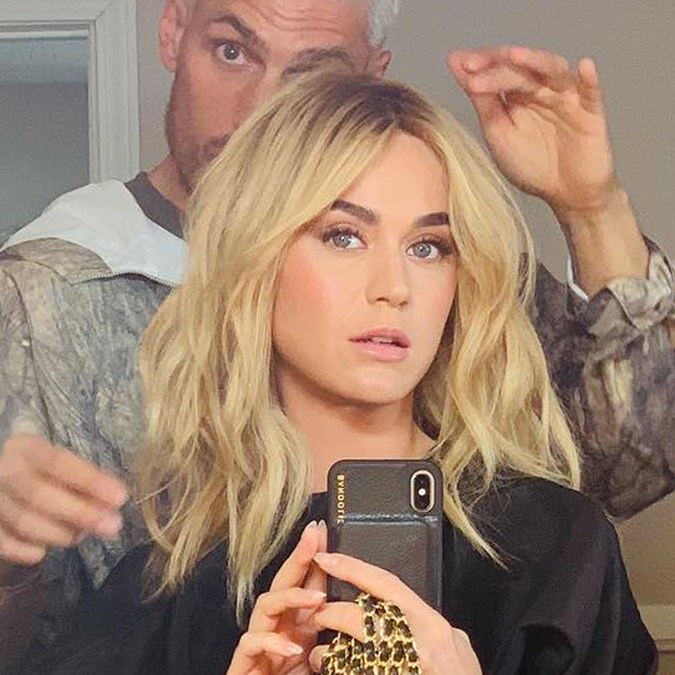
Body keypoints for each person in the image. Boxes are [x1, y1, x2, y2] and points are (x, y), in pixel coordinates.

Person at [0, 0, 672, 666]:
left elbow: (636, 449)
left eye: (429, 247)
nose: (393, 286)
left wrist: (593, 210)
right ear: (255, 265)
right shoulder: (157, 593)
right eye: (343, 235)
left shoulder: (561, 555)